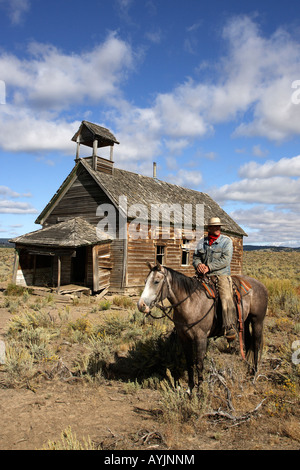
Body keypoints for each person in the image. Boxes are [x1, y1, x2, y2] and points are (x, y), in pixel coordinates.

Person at [193, 217, 236, 341]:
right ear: (209, 228)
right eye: (214, 226)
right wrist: (199, 265)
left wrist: (209, 267)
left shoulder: (226, 241)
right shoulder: (201, 242)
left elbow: (226, 260)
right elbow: (196, 257)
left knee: (226, 297)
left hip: (220, 274)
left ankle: (229, 326)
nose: (217, 228)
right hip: (203, 275)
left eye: (219, 226)